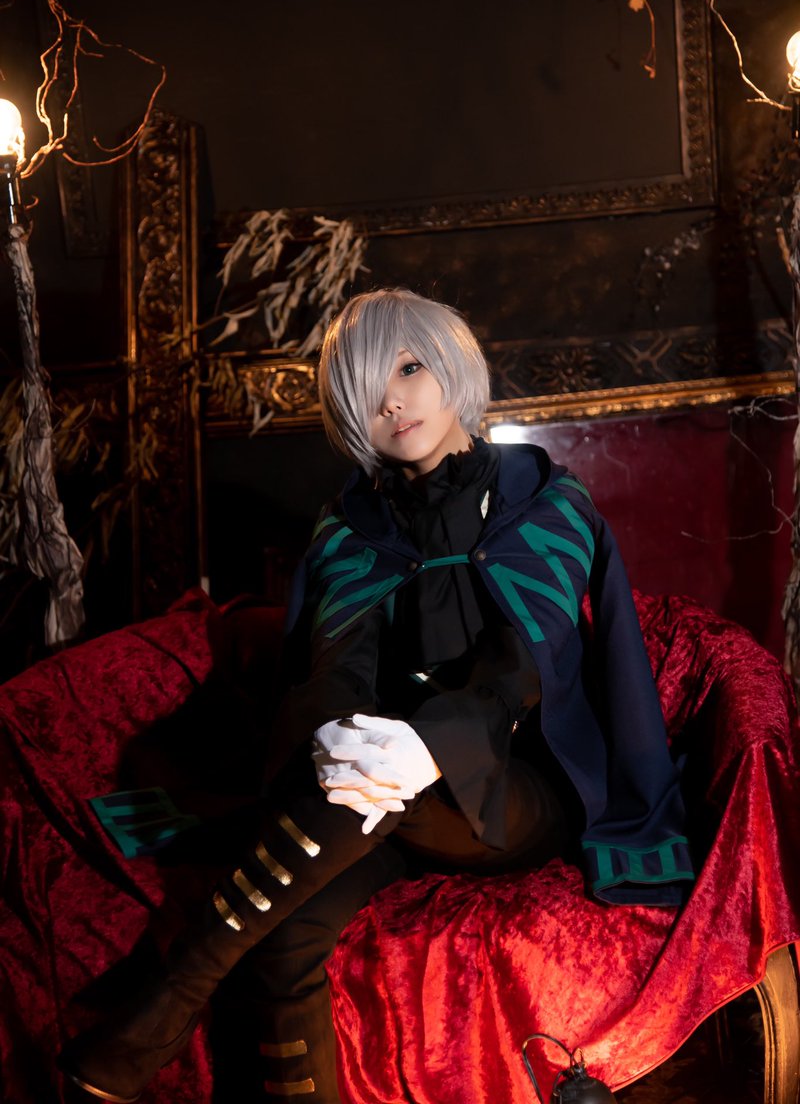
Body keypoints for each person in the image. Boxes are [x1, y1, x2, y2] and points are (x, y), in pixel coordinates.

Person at [60, 288, 694, 1103]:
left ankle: (166, 996)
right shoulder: (350, 529)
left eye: (409, 368)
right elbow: (336, 663)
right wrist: (332, 735)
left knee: (383, 784)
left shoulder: (547, 501)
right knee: (287, 940)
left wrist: (427, 746)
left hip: (517, 790)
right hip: (374, 800)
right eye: (366, 388)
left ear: (453, 365)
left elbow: (521, 664)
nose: (392, 400)